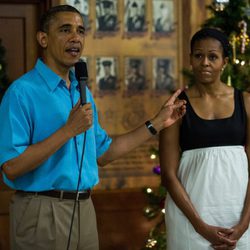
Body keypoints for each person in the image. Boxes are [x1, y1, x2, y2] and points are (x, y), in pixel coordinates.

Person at [0, 5, 186, 250]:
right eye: (65, 30)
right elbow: (11, 167)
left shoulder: (82, 91)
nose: (75, 38)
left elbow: (105, 153)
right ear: (43, 38)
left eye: (80, 31)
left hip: (84, 210)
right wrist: (68, 131)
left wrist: (158, 123)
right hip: (42, 211)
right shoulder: (22, 93)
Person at [159, 27, 250, 250]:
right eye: (199, 56)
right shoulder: (176, 106)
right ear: (190, 59)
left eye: (213, 57)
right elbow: (169, 175)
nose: (205, 63)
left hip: (239, 218)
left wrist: (244, 224)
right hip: (191, 219)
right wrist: (200, 226)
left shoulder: (246, 101)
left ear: (225, 62)